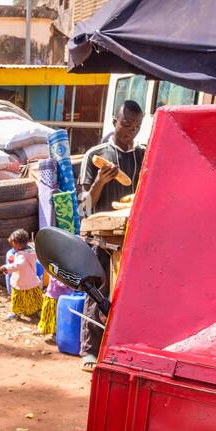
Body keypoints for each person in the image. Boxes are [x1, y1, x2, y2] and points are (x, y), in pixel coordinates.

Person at [77, 100, 146, 371]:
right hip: (100, 238)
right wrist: (100, 182)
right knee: (97, 293)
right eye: (126, 125)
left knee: (131, 295)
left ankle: (125, 349)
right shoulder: (96, 154)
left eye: (137, 127)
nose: (130, 131)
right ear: (114, 122)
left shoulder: (143, 156)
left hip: (131, 237)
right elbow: (85, 206)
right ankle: (90, 352)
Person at [0, 228, 42, 322]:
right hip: (32, 280)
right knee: (34, 296)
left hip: (20, 281)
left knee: (17, 299)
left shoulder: (22, 256)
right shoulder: (31, 251)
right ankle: (37, 310)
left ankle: (16, 313)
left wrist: (6, 268)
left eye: (13, 244)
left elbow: (18, 265)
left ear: (18, 244)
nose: (12, 246)